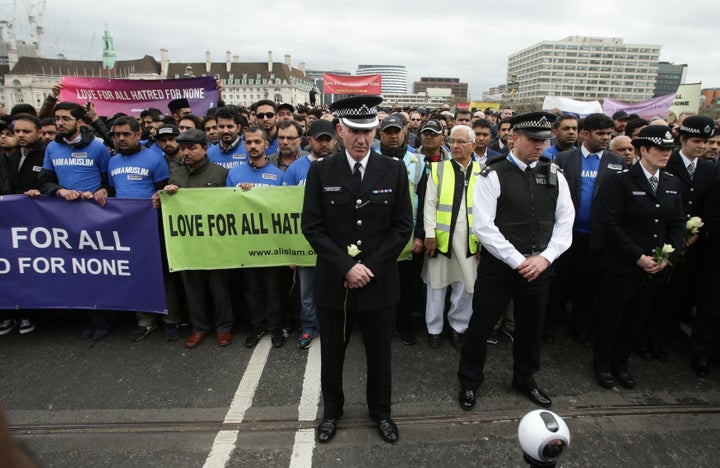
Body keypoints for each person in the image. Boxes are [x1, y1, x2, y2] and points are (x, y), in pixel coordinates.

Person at [301, 95, 412, 444]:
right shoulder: (321, 171)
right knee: (332, 355)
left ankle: (381, 412)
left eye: (368, 131)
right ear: (339, 130)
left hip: (379, 283)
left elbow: (402, 226)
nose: (362, 139)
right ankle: (332, 412)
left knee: (380, 356)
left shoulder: (393, 169)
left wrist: (369, 268)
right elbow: (312, 227)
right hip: (336, 284)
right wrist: (347, 267)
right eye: (354, 131)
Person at [458, 112, 574, 410]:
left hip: (538, 267)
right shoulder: (492, 174)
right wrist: (517, 260)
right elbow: (483, 225)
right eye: (533, 140)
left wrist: (545, 258)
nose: (539, 146)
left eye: (543, 141)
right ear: (515, 138)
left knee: (531, 328)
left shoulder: (554, 174)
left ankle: (525, 378)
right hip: (500, 268)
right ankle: (470, 380)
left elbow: (565, 221)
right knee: (481, 325)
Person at [592, 126, 684, 390]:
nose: (666, 154)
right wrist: (637, 256)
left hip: (654, 268)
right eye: (660, 149)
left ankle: (621, 363)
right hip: (622, 265)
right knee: (612, 317)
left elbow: (677, 224)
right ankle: (602, 364)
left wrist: (670, 255)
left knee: (636, 319)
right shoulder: (620, 181)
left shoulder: (671, 182)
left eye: (669, 149)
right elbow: (609, 223)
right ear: (644, 150)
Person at [544, 113, 625, 347]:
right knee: (558, 284)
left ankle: (581, 328)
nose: (606, 138)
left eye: (609, 134)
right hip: (566, 235)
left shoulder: (616, 162)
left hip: (598, 237)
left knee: (588, 286)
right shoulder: (564, 159)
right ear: (585, 134)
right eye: (601, 133)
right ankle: (548, 327)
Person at [152, 129, 233, 348]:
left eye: (192, 148)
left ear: (205, 149)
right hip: (187, 244)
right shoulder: (176, 175)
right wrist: (161, 199)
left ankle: (224, 328)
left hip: (214, 242)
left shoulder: (220, 174)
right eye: (183, 148)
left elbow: (232, 206)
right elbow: (168, 208)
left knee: (219, 287)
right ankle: (199, 328)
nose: (186, 153)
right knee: (193, 287)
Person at [226, 126, 287, 348]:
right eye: (248, 142)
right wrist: (239, 196)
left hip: (270, 245)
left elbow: (283, 211)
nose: (252, 146)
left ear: (266, 144)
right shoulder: (234, 175)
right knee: (252, 290)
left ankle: (275, 327)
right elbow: (226, 208)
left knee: (272, 290)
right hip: (246, 245)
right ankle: (257, 326)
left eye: (257, 142)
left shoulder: (279, 175)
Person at [423, 125, 481, 350]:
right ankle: (434, 329)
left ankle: (459, 327)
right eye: (452, 141)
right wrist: (429, 234)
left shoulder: (484, 170)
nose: (455, 146)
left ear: (473, 146)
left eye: (461, 142)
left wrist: (484, 241)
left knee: (466, 285)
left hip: (471, 240)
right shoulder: (438, 169)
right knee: (436, 286)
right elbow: (430, 205)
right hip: (441, 238)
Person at [283, 119, 336, 349]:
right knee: (306, 292)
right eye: (319, 139)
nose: (324, 144)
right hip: (304, 242)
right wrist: (291, 248)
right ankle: (307, 328)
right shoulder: (296, 168)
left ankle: (331, 327)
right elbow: (284, 209)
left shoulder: (340, 165)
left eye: (328, 139)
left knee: (333, 289)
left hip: (333, 243)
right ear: (309, 140)